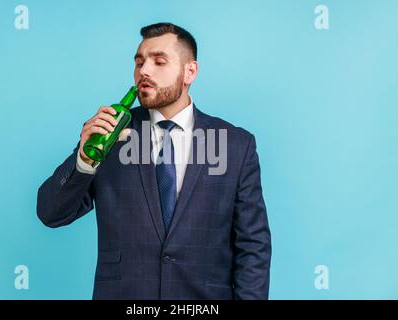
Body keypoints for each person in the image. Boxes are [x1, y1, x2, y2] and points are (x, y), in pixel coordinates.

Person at [37, 22, 271, 300]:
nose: (144, 71)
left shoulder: (236, 145)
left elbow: (253, 246)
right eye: (139, 63)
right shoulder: (110, 134)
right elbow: (51, 213)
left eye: (159, 62)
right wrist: (84, 160)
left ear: (190, 72)